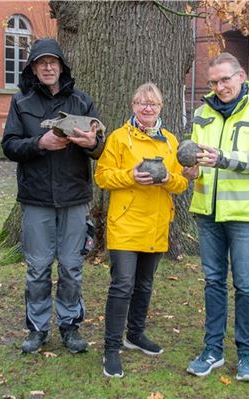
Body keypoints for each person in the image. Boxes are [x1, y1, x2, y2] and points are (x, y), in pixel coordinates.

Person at [1, 38, 104, 355]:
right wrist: (40, 144)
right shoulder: (21, 103)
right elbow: (9, 147)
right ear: (33, 68)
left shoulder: (82, 102)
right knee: (38, 268)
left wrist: (89, 143)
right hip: (36, 199)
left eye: (53, 62)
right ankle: (37, 328)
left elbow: (101, 147)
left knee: (72, 267)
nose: (47, 67)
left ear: (61, 66)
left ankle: (70, 326)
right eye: (41, 62)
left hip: (74, 197)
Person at [183, 53, 249, 381]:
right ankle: (213, 350)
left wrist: (222, 158)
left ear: (241, 77)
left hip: (243, 213)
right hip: (207, 211)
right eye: (213, 82)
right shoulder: (201, 112)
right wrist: (190, 167)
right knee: (212, 281)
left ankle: (247, 355)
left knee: (245, 284)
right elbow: (196, 156)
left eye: (225, 79)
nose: (220, 87)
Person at [94, 83, 188, 378]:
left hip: (157, 223)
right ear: (133, 106)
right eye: (141, 103)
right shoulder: (119, 138)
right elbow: (103, 177)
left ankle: (134, 335)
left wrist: (167, 179)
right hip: (124, 224)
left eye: (153, 104)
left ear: (161, 108)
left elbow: (182, 183)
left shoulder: (171, 142)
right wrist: (131, 176)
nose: (147, 108)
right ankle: (111, 348)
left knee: (145, 285)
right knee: (122, 285)